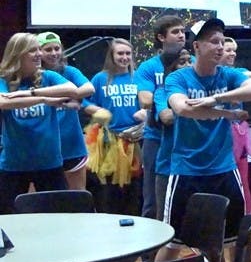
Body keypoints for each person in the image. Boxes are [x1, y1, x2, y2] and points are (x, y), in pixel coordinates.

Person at [158, 18, 251, 262]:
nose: (220, 47)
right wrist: (228, 114)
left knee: (234, 240)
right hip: (187, 170)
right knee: (173, 242)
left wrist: (214, 99)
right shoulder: (178, 78)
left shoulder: (228, 75)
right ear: (196, 46)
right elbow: (183, 109)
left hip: (223, 168)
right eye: (214, 42)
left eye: (222, 42)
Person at [0, 32, 79, 213]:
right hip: (14, 164)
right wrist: (44, 100)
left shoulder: (48, 77)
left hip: (49, 162)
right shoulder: (4, 79)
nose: (39, 54)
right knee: (7, 219)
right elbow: (3, 102)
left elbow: (72, 89)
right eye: (32, 51)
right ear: (18, 54)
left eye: (38, 50)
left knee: (59, 216)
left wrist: (33, 93)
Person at [84, 38, 147, 215]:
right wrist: (98, 111)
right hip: (108, 141)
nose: (124, 57)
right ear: (111, 56)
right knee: (108, 190)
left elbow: (151, 102)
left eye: (128, 53)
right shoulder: (100, 78)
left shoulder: (139, 78)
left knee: (134, 189)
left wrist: (146, 113)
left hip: (135, 140)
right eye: (120, 53)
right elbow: (85, 103)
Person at [134, 15, 187, 219]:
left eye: (183, 31)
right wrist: (165, 96)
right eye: (175, 32)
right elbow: (145, 100)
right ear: (161, 37)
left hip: (185, 137)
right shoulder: (149, 67)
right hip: (156, 137)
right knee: (153, 197)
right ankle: (152, 239)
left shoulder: (191, 63)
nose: (181, 35)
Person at [37, 31, 95, 192]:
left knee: (76, 196)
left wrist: (69, 96)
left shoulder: (70, 72)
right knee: (38, 199)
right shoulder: (31, 76)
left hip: (71, 146)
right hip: (42, 148)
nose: (54, 53)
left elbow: (89, 88)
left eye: (57, 48)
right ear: (38, 52)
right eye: (48, 49)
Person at [151, 48, 191, 221]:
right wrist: (199, 109)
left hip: (197, 166)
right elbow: (166, 117)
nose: (188, 65)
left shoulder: (200, 89)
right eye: (182, 62)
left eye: (190, 61)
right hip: (169, 166)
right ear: (171, 67)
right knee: (165, 221)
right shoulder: (162, 91)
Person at [221, 36, 251, 213]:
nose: (232, 54)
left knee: (243, 178)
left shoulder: (237, 73)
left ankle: (246, 218)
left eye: (234, 51)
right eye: (228, 50)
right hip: (221, 133)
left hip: (238, 132)